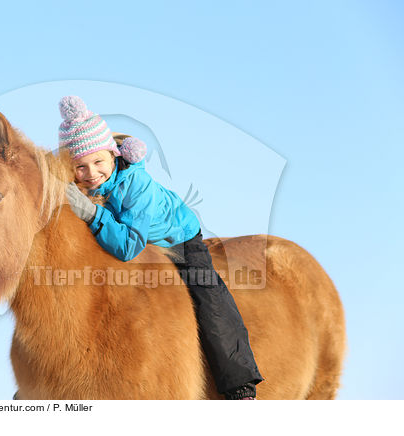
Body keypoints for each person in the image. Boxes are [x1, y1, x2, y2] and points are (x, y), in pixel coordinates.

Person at [60, 95, 263, 400]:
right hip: (140, 244)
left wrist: (90, 213)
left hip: (178, 241)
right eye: (80, 167)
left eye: (98, 162)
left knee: (209, 298)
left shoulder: (136, 185)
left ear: (114, 155)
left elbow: (129, 245)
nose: (91, 173)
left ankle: (239, 385)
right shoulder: (82, 188)